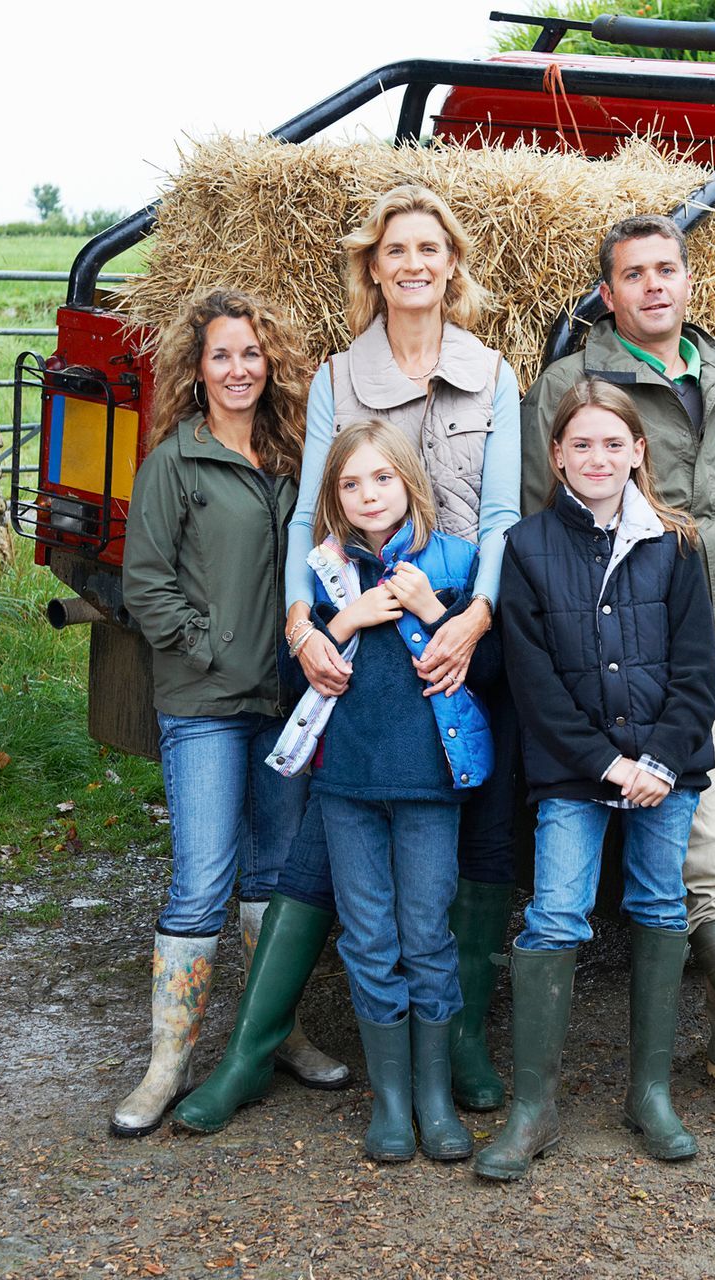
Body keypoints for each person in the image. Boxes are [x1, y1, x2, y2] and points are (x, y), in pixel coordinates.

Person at [174, 185, 523, 1134]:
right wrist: (299, 624)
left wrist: (476, 616)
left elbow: (498, 516)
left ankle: (453, 1049)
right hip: (349, 630)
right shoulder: (339, 376)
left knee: (467, 831)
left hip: (455, 626)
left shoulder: (493, 374)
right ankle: (255, 1049)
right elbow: (309, 516)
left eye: (430, 249)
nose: (414, 265)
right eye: (395, 250)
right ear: (373, 267)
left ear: (453, 264)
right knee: (324, 837)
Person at [522, 214, 715, 1154]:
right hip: (661, 656)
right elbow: (553, 522)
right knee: (713, 858)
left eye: (669, 270)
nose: (656, 286)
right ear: (607, 294)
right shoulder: (576, 387)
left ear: (689, 282)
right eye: (634, 274)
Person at [477, 379, 715, 1181]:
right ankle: (533, 1109)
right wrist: (603, 761)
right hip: (574, 774)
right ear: (556, 455)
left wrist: (656, 760)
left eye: (613, 443)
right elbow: (535, 682)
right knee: (556, 913)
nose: (597, 457)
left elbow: (697, 672)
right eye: (581, 444)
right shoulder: (527, 547)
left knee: (658, 904)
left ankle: (649, 1094)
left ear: (638, 452)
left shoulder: (676, 545)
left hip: (664, 771)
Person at [110, 290, 323, 1137]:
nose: (239, 370)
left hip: (288, 701)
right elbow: (145, 585)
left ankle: (276, 1031)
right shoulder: (175, 462)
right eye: (221, 356)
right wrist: (211, 647)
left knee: (274, 875)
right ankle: (168, 1063)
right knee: (202, 877)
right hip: (204, 701)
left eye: (251, 355)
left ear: (270, 365)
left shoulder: (294, 457)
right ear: (196, 372)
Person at [292, 418, 495, 1162]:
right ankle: (392, 1101)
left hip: (428, 786)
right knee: (369, 937)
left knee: (426, 934)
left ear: (410, 482)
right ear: (335, 500)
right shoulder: (321, 574)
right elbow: (294, 679)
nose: (368, 495)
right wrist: (340, 622)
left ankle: (436, 1100)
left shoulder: (455, 563)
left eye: (382, 478)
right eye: (351, 484)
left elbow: (491, 672)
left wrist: (432, 611)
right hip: (346, 786)